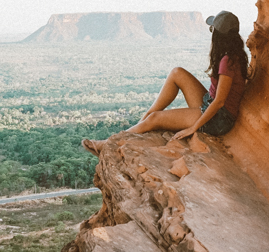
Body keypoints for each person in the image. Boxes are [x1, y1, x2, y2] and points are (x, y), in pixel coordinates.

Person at [82, 11, 248, 155]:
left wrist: (194, 127)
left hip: (218, 118)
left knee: (155, 119)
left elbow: (219, 101)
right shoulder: (234, 54)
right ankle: (145, 119)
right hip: (210, 104)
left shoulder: (228, 61)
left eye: (212, 29)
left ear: (218, 35)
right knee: (177, 72)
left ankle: (108, 144)